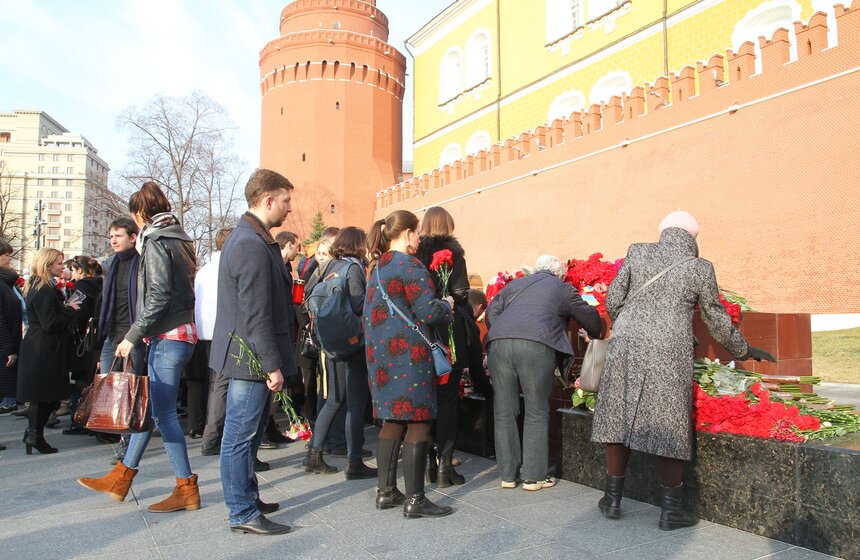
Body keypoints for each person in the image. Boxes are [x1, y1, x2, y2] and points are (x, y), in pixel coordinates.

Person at [590, 211, 775, 530]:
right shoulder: (700, 268)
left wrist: (632, 325)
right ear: (693, 238)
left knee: (618, 416)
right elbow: (715, 317)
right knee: (669, 422)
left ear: (663, 232)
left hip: (626, 341)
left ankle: (612, 499)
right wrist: (743, 350)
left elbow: (614, 300)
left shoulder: (638, 251)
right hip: (670, 346)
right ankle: (670, 511)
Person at [78, 182, 199, 513]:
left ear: (141, 213)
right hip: (178, 331)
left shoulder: (158, 240)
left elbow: (158, 294)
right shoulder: (179, 238)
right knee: (151, 409)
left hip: (168, 333)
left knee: (162, 413)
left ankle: (185, 487)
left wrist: (132, 335)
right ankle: (123, 476)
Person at [209, 169, 295, 535]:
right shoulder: (249, 242)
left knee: (246, 433)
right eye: (286, 200)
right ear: (268, 200)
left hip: (250, 357)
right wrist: (271, 365)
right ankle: (242, 512)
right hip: (250, 359)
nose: (290, 208)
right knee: (240, 436)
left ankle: (248, 498)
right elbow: (255, 312)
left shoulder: (252, 238)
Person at [364, 209, 455, 518]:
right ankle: (416, 499)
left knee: (392, 420)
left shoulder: (377, 267)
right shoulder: (410, 265)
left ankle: (386, 492)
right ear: (406, 234)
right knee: (418, 421)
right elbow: (428, 312)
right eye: (416, 233)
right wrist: (447, 305)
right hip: (409, 357)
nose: (419, 238)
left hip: (382, 358)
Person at [485, 255, 602, 491]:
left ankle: (508, 475)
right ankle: (533, 477)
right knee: (536, 409)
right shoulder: (561, 287)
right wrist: (598, 330)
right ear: (559, 273)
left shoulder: (514, 285)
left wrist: (505, 333)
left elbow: (491, 313)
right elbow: (588, 317)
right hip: (536, 346)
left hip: (497, 344)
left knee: (504, 412)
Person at [301, 227, 376, 480]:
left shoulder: (328, 267)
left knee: (333, 399)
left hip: (331, 341)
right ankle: (354, 462)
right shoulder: (353, 268)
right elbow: (358, 304)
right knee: (355, 403)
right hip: (351, 343)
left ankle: (313, 453)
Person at [415, 206, 477, 487]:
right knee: (449, 399)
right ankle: (445, 467)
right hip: (448, 334)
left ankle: (429, 463)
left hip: (422, 333)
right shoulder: (455, 253)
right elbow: (462, 293)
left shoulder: (414, 254)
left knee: (427, 400)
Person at [17, 248, 81, 454]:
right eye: (59, 263)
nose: (63, 267)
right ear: (47, 264)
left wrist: (65, 306)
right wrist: (70, 310)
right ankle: (35, 436)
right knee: (43, 395)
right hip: (44, 348)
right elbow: (50, 323)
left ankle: (33, 434)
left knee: (46, 395)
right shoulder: (43, 288)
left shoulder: (38, 285)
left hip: (42, 346)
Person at [198, 228, 232, 454]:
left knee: (215, 384)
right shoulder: (225, 268)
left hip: (206, 332)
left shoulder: (205, 269)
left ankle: (211, 434)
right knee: (220, 385)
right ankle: (211, 437)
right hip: (222, 332)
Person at [63, 256, 104, 435]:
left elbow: (77, 314)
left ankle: (79, 420)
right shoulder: (101, 285)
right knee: (91, 380)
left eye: (72, 270)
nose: (71, 275)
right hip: (96, 340)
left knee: (80, 382)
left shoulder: (80, 288)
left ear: (80, 270)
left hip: (80, 341)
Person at [0, 240, 23, 422]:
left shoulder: (7, 283)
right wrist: (9, 350)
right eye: (6, 255)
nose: (10, 258)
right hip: (4, 346)